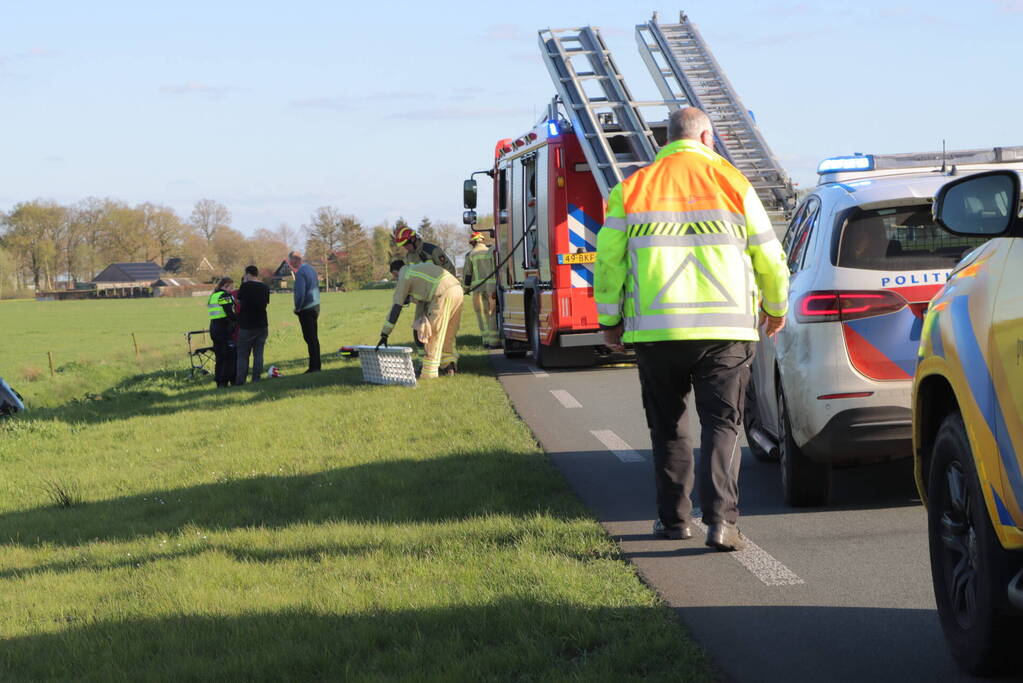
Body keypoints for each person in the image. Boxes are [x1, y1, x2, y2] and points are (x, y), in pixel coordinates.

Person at [594, 107, 789, 552]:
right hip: (725, 330)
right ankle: (721, 524)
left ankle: (673, 521)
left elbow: (608, 263)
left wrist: (609, 321)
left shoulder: (632, 188)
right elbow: (769, 256)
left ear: (667, 139)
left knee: (667, 429)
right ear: (707, 137)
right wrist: (775, 308)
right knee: (722, 425)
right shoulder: (733, 183)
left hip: (656, 332)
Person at [379, 259, 463, 378]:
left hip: (441, 294)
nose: (396, 279)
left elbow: (396, 308)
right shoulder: (417, 268)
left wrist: (385, 333)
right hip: (457, 288)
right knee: (449, 333)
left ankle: (429, 373)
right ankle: (449, 365)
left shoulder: (404, 276)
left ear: (395, 272)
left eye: (394, 277)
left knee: (433, 335)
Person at [235, 265, 271, 385]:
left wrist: (244, 283)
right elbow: (266, 303)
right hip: (262, 324)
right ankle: (256, 379)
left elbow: (239, 301)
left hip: (247, 324)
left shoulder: (245, 286)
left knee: (243, 355)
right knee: (258, 353)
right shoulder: (265, 287)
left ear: (247, 274)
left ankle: (241, 381)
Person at [463, 231, 499, 348]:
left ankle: (486, 340)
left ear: (472, 242)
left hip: (477, 289)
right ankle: (495, 340)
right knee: (492, 313)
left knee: (481, 314)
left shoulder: (471, 254)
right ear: (482, 240)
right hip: (491, 286)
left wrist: (466, 288)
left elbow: (468, 274)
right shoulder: (489, 251)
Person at [289, 250, 321, 373]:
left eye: (291, 261)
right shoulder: (311, 269)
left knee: (309, 337)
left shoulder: (301, 273)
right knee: (314, 338)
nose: (291, 264)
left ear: (295, 260)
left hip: (306, 308)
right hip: (315, 305)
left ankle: (314, 367)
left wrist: (298, 307)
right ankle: (316, 365)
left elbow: (300, 292)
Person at [207, 276, 238, 388]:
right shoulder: (224, 295)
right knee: (228, 355)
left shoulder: (213, 296)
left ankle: (219, 381)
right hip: (224, 328)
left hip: (214, 327)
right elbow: (229, 311)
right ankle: (226, 381)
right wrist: (238, 319)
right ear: (225, 286)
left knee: (219, 356)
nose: (232, 289)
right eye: (231, 287)